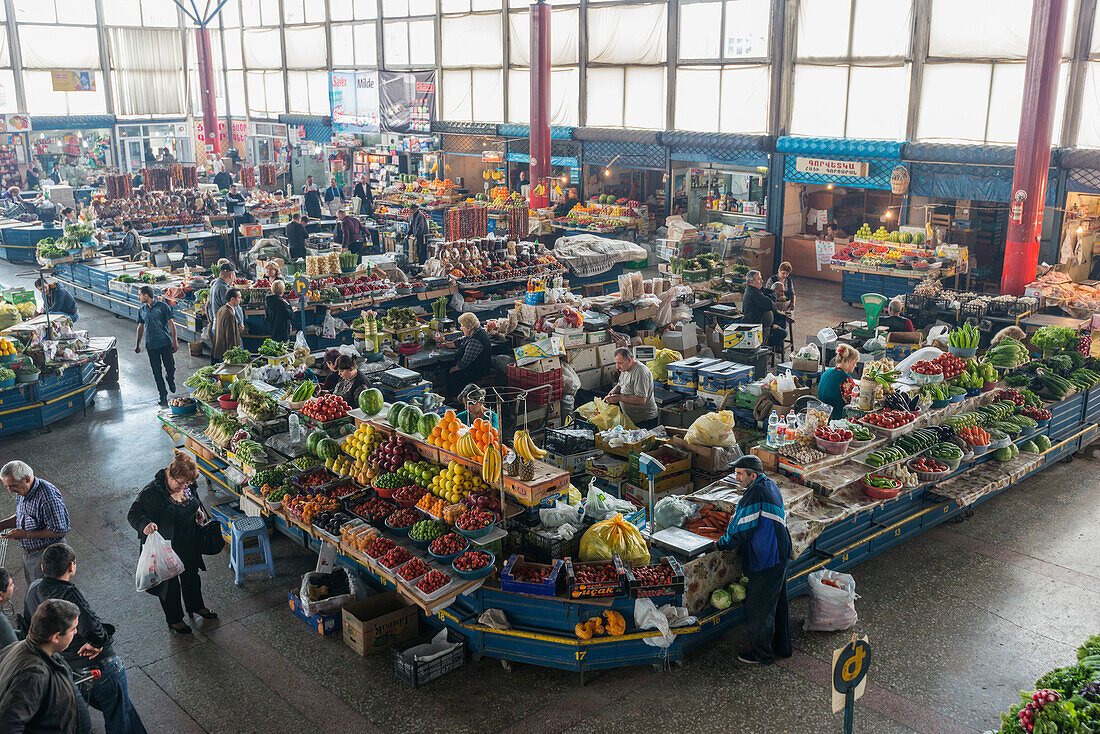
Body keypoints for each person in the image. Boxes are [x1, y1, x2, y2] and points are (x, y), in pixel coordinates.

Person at [23, 544, 146, 734]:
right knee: (118, 715)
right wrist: (98, 641)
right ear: (71, 567)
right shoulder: (69, 593)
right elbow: (93, 628)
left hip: (67, 668)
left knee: (123, 709)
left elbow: (28, 627)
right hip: (98, 668)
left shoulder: (33, 589)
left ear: (42, 567)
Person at [127, 450, 217, 635]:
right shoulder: (151, 493)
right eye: (179, 483)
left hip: (188, 540)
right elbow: (133, 514)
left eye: (187, 483)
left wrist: (197, 511)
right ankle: (175, 619)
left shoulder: (186, 486)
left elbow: (193, 499)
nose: (183, 487)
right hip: (165, 545)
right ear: (170, 474)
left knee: (192, 575)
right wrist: (145, 526)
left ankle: (196, 606)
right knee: (169, 584)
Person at [717, 455, 792, 666]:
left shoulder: (756, 493)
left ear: (753, 475)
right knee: (776, 603)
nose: (737, 477)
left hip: (768, 557)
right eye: (736, 473)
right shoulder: (768, 485)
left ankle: (762, 655)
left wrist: (722, 543)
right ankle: (782, 648)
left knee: (759, 608)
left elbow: (741, 526)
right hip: (779, 553)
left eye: (740, 474)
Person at [0, 599, 87, 734]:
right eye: (73, 629)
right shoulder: (34, 674)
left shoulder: (16, 648)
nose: (76, 632)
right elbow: (9, 725)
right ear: (56, 637)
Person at [0, 461, 71, 587]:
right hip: (30, 554)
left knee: (47, 595)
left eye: (12, 486)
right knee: (35, 592)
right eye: (7, 487)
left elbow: (60, 529)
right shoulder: (22, 491)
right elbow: (22, 516)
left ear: (27, 479)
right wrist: (3, 525)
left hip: (47, 555)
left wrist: (26, 535)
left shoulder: (48, 497)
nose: (10, 491)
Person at [136, 285, 178, 406]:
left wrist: (174, 341)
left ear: (146, 296)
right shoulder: (142, 310)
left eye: (140, 295)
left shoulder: (163, 307)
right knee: (156, 372)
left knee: (170, 367)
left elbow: (171, 324)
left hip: (165, 343)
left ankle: (170, 379)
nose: (138, 297)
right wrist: (138, 344)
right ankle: (163, 395)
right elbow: (140, 327)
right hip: (151, 346)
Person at [605, 347, 658, 429]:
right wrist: (614, 391)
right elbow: (620, 384)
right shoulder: (625, 369)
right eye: (616, 363)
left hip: (644, 421)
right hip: (631, 419)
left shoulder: (640, 372)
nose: (617, 367)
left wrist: (618, 398)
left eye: (620, 363)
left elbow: (641, 399)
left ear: (629, 360)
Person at [444, 313, 492, 396]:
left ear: (469, 328)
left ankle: (456, 400)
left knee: (451, 374)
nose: (461, 328)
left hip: (476, 371)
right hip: (474, 367)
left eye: (462, 326)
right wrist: (446, 344)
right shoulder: (478, 330)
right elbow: (463, 339)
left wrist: (453, 369)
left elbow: (464, 363)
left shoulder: (475, 341)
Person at [742, 270, 790, 350]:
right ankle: (767, 348)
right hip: (758, 328)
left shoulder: (757, 290)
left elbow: (769, 295)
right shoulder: (754, 294)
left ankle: (773, 348)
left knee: (782, 322)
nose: (762, 281)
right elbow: (770, 304)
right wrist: (771, 327)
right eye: (759, 279)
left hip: (764, 325)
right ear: (752, 282)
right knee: (782, 333)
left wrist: (784, 317)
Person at [816, 343, 859, 420]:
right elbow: (853, 403)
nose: (855, 365)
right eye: (855, 363)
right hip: (836, 418)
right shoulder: (846, 379)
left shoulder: (827, 371)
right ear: (850, 361)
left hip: (822, 415)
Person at [206, 261, 234, 364]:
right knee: (225, 358)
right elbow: (229, 307)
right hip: (222, 327)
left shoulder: (215, 284)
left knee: (217, 355)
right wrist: (240, 322)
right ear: (231, 275)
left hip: (216, 324)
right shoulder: (223, 288)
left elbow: (208, 305)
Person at [211, 288, 243, 363]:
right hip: (226, 352)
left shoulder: (221, 309)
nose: (240, 300)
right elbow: (230, 336)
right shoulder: (229, 315)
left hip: (220, 349)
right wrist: (233, 355)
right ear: (232, 299)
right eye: (239, 298)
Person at [0, 569, 16, 648]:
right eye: (11, 585)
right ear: (0, 595)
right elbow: (14, 649)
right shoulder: (2, 623)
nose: (13, 586)